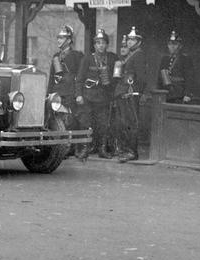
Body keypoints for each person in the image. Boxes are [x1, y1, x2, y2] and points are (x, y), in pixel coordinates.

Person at [76, 29, 118, 159]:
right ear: (94, 45)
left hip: (104, 97)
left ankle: (102, 149)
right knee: (85, 122)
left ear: (107, 45)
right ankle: (85, 149)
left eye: (103, 43)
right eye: (98, 43)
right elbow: (80, 78)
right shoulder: (87, 58)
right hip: (88, 95)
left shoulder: (112, 58)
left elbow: (116, 78)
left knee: (103, 124)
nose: (101, 45)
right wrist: (79, 94)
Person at [48, 25, 83, 154]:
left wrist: (78, 93)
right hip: (57, 93)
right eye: (58, 37)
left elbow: (80, 76)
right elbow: (52, 77)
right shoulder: (56, 56)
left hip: (70, 92)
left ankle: (71, 148)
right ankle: (60, 147)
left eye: (61, 38)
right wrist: (49, 94)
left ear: (69, 40)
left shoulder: (77, 55)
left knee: (70, 120)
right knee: (57, 120)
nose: (58, 40)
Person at [115, 26, 146, 163]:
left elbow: (141, 77)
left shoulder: (138, 55)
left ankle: (132, 152)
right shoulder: (130, 55)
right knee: (124, 123)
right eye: (129, 39)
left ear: (139, 42)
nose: (129, 42)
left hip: (131, 94)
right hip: (124, 93)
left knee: (131, 123)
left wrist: (136, 92)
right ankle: (125, 150)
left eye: (133, 39)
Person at [157, 30, 194, 103]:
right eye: (170, 44)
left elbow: (189, 77)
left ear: (180, 46)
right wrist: (159, 91)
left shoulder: (185, 59)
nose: (172, 47)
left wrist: (188, 94)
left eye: (175, 44)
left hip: (179, 93)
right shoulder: (164, 59)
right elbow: (160, 77)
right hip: (166, 92)